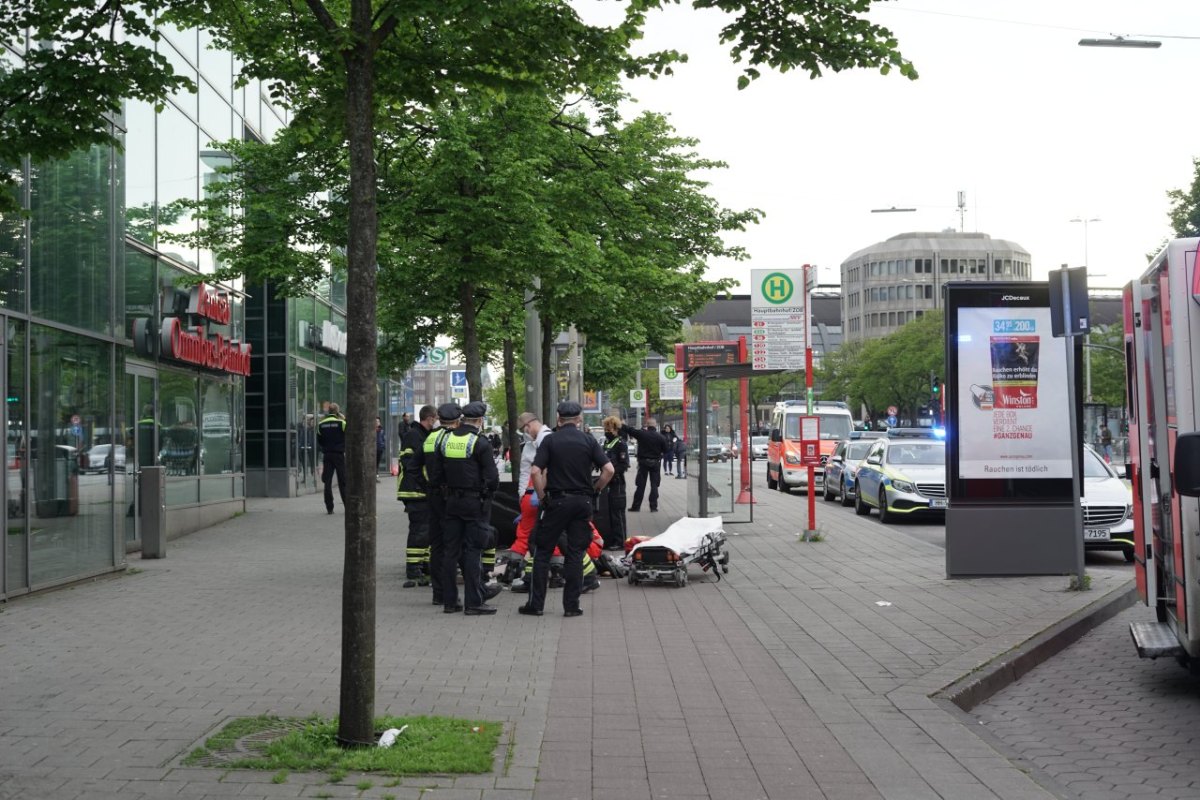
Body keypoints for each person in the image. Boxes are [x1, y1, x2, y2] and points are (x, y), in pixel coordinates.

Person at [519, 400, 614, 618]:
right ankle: (572, 606)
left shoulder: (550, 441)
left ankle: (536, 605)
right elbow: (609, 469)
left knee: (542, 553)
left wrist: (542, 497)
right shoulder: (589, 441)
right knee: (575, 553)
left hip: (556, 502)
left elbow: (535, 472)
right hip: (582, 503)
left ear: (558, 419)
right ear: (579, 419)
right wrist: (595, 490)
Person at [432, 401, 499, 616]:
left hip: (451, 502)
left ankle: (450, 602)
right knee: (472, 551)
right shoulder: (480, 443)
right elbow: (492, 478)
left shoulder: (446, 439)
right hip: (474, 504)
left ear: (462, 419)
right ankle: (474, 602)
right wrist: (486, 496)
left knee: (450, 552)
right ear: (479, 421)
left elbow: (437, 473)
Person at [415, 403, 462, 607]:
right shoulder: (452, 439)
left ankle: (438, 592)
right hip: (450, 497)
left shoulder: (429, 438)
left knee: (437, 545)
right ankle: (450, 594)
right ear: (457, 421)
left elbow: (412, 467)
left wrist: (426, 486)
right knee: (453, 545)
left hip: (433, 496)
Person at [510, 411, 552, 592]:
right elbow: (526, 472)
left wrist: (530, 495)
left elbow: (538, 472)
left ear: (528, 425)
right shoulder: (529, 444)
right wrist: (522, 495)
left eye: (525, 430)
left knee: (534, 536)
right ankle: (529, 573)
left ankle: (522, 572)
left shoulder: (548, 440)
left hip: (539, 496)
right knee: (541, 536)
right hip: (535, 496)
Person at [396, 405, 436, 588]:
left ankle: (424, 566)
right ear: (429, 418)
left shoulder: (422, 435)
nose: (436, 422)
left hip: (421, 491)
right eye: (435, 419)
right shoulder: (414, 435)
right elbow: (412, 464)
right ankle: (413, 570)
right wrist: (425, 483)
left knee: (426, 530)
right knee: (419, 531)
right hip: (414, 491)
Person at [621, 417, 668, 512]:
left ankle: (636, 507)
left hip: (643, 463)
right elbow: (666, 450)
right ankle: (653, 507)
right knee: (654, 485)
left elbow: (630, 430)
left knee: (640, 485)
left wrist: (622, 424)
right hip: (655, 463)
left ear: (647, 424)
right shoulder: (661, 437)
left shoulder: (642, 434)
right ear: (655, 425)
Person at [600, 415, 629, 550]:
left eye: (609, 429)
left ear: (615, 429)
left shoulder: (620, 444)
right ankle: (612, 539)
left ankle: (621, 541)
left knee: (617, 513)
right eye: (605, 429)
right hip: (608, 482)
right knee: (610, 513)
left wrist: (611, 473)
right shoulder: (607, 443)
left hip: (617, 483)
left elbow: (624, 465)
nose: (607, 431)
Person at [317, 402, 347, 514]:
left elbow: (319, 440)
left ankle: (329, 508)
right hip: (339, 455)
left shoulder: (321, 424)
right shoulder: (342, 423)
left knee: (327, 482)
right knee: (343, 481)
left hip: (327, 455)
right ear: (337, 411)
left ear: (328, 411)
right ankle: (347, 506)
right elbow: (348, 435)